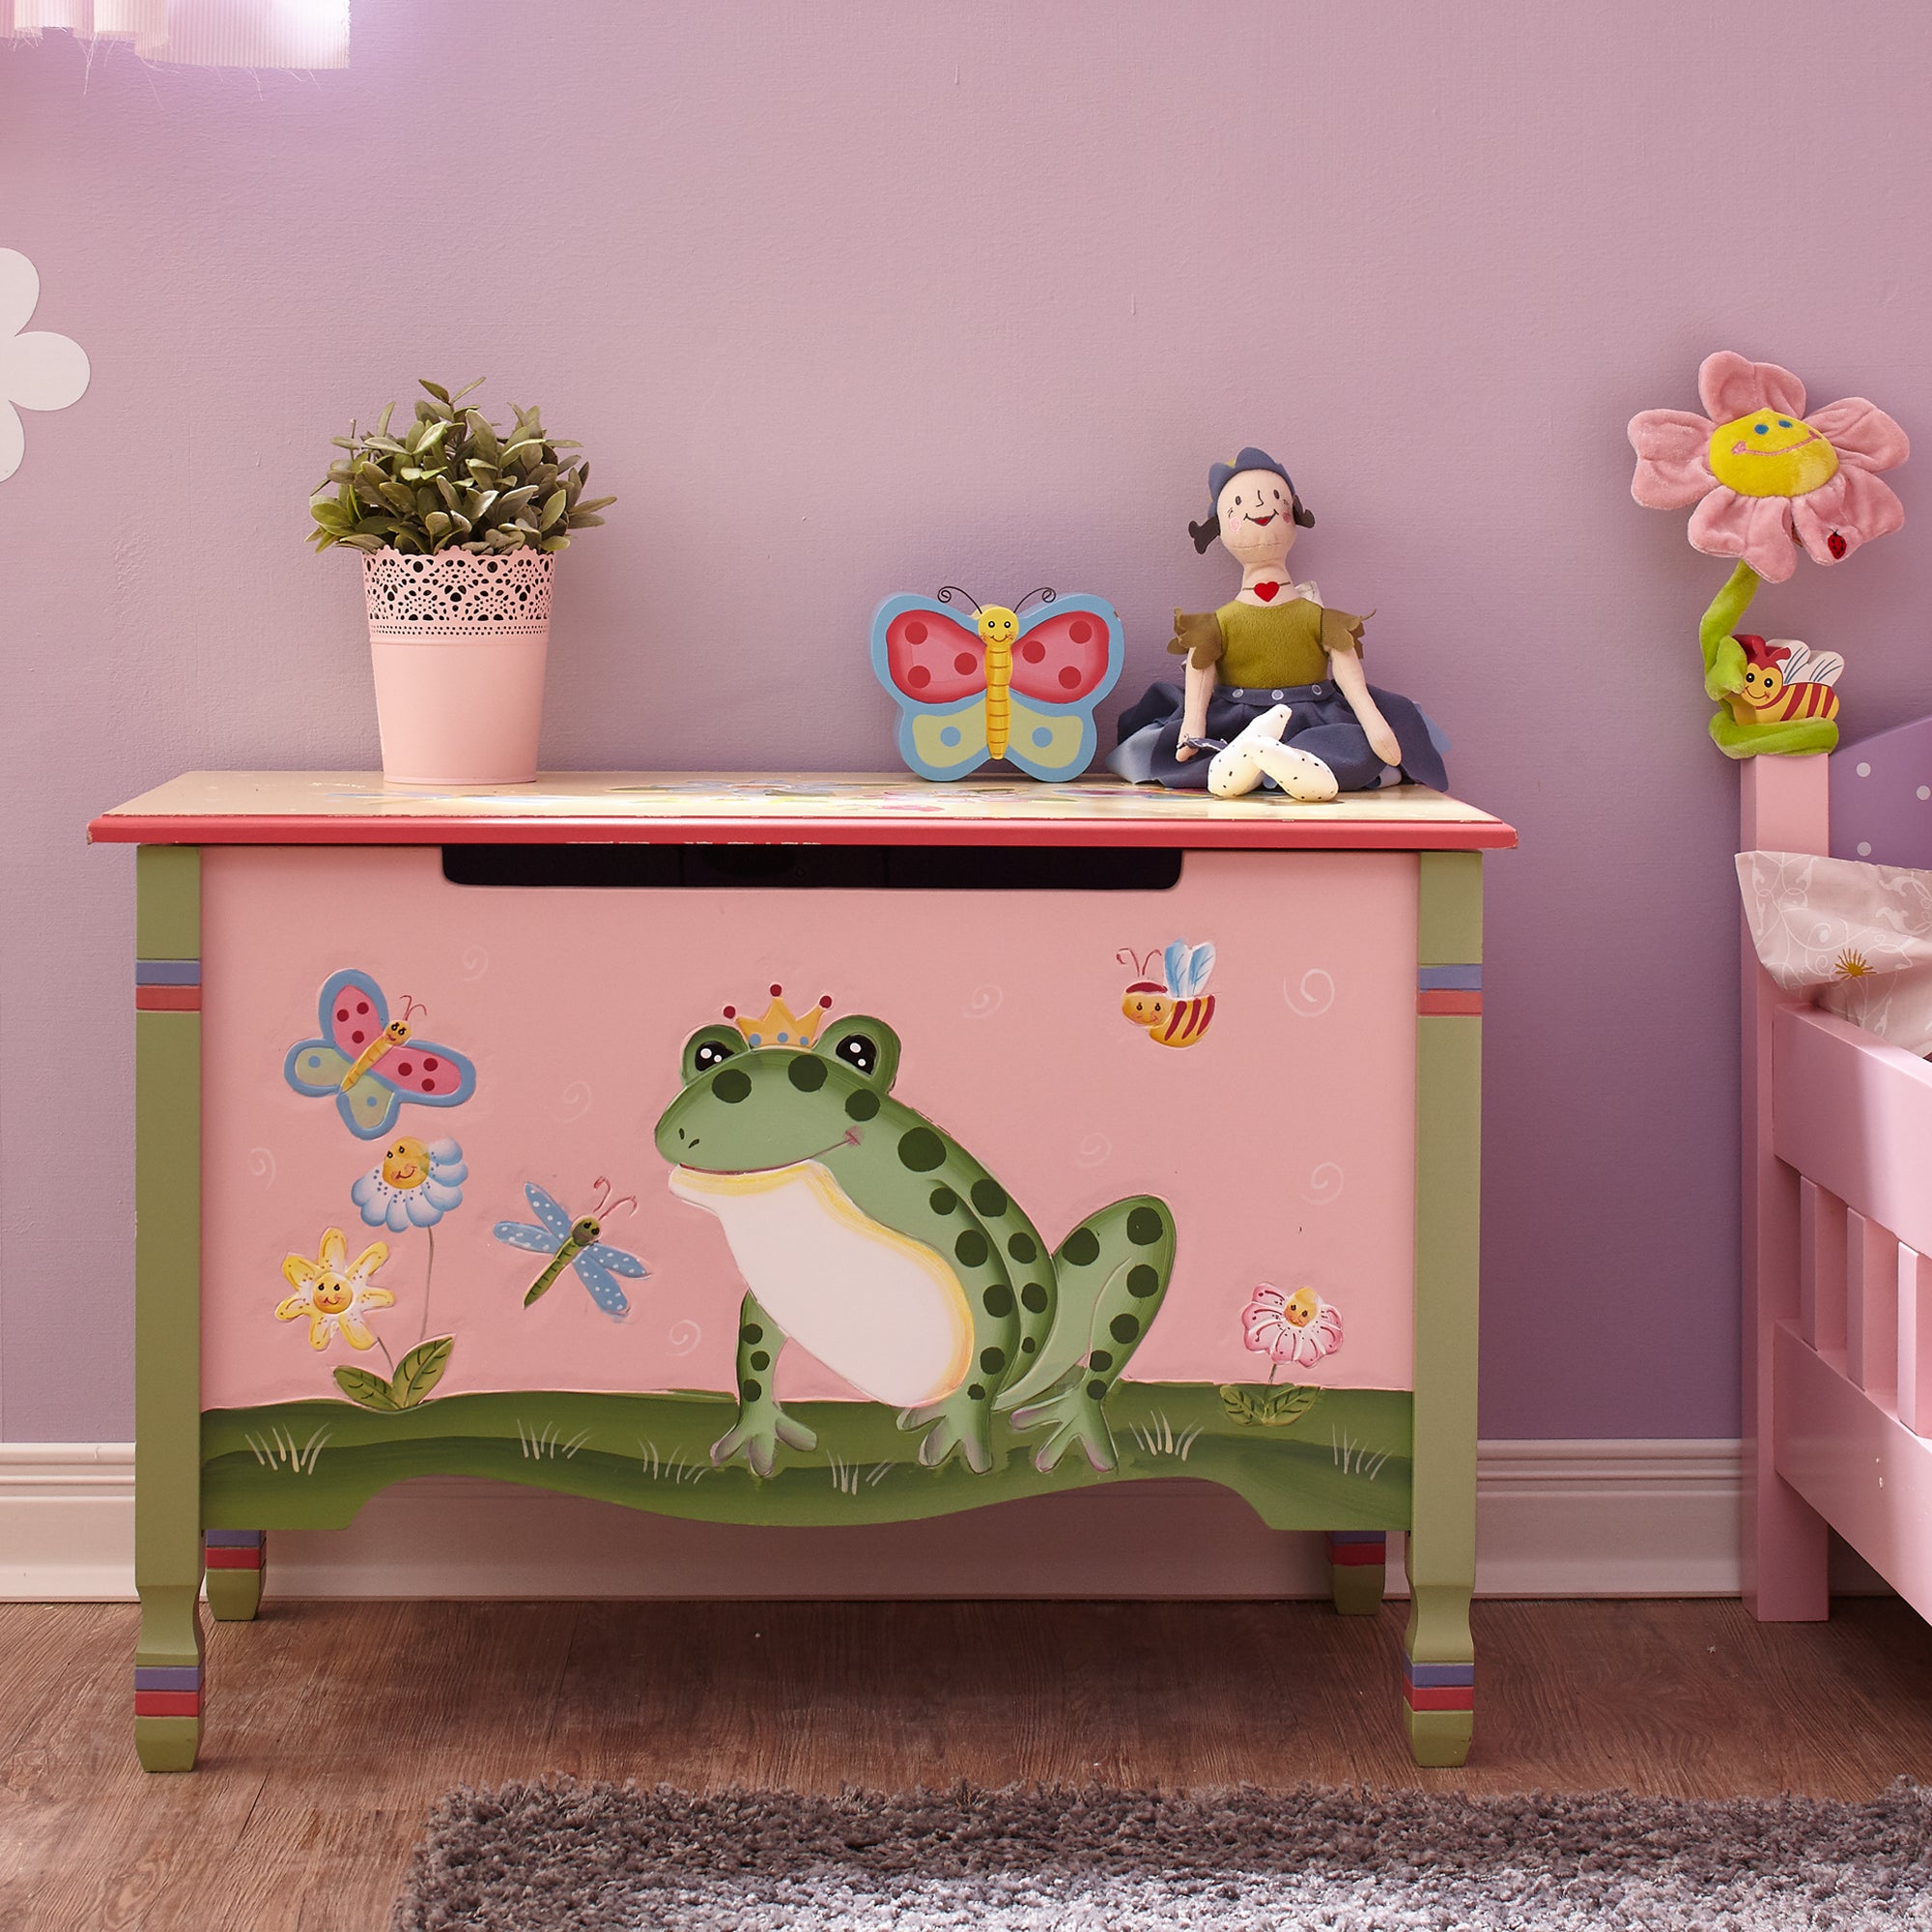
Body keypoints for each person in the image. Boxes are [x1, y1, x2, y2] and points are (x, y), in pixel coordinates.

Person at [1110, 446, 1445, 799]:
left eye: (1273, 499)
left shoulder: (1320, 619)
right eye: (1238, 505)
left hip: (1311, 716)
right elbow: (1199, 675)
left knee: (1352, 747)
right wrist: (1192, 725)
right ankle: (1242, 763)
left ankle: (1277, 765)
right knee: (1191, 753)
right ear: (1220, 528)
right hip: (1236, 717)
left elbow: (1353, 684)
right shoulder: (1218, 624)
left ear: (1292, 515)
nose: (1259, 506)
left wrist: (1375, 725)